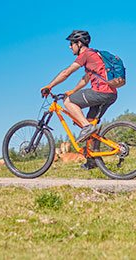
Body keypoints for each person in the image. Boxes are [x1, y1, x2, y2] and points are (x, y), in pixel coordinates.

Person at [40, 30, 118, 170]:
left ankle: (87, 128)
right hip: (110, 94)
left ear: (79, 43)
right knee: (90, 124)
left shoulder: (85, 55)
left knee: (68, 102)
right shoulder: (94, 56)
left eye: (71, 43)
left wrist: (49, 86)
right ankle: (92, 160)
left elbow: (66, 73)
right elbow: (86, 79)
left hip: (101, 92)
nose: (70, 47)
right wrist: (73, 91)